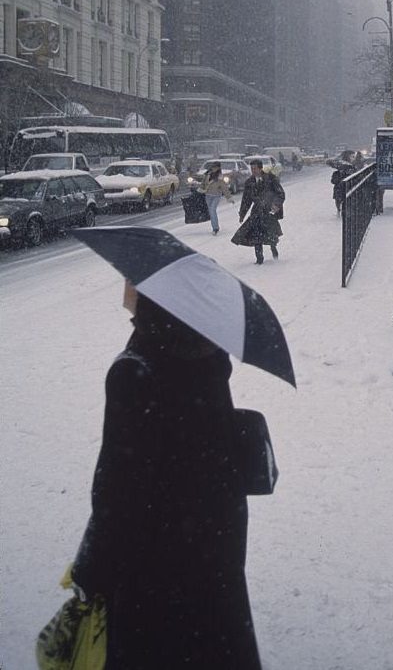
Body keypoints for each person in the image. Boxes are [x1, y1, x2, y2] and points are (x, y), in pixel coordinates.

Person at [71, 284, 263, 670]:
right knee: (214, 637)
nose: (128, 293)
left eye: (135, 289)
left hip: (153, 553)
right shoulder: (206, 350)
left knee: (154, 645)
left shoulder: (134, 369)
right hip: (212, 533)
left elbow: (115, 488)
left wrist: (91, 569)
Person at [232, 158, 285, 264]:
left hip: (269, 211)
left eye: (255, 168)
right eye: (251, 168)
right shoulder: (250, 182)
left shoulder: (271, 179)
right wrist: (242, 214)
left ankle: (274, 250)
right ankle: (259, 259)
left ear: (260, 168)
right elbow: (246, 200)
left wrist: (276, 204)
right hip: (256, 212)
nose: (253, 171)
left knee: (271, 235)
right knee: (256, 236)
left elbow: (280, 194)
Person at [197, 161, 234, 234]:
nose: (214, 168)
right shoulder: (207, 174)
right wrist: (199, 190)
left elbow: (224, 188)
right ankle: (214, 227)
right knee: (211, 212)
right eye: (213, 167)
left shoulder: (220, 177)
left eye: (216, 167)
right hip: (208, 195)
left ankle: (215, 228)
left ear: (219, 168)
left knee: (212, 210)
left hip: (216, 196)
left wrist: (229, 197)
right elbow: (203, 184)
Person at [329, 151, 356, 215]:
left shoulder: (341, 166)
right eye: (352, 156)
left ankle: (339, 210)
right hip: (344, 186)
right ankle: (341, 210)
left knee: (339, 199)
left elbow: (333, 181)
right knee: (344, 198)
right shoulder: (350, 166)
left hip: (340, 186)